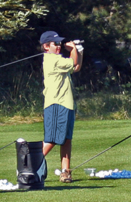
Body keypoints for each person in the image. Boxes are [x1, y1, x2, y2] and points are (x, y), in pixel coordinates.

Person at [39, 31, 83, 183]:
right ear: (46, 46)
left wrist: (79, 51)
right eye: (55, 44)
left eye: (59, 44)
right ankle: (30, 164)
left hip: (67, 103)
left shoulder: (59, 59)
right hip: (57, 103)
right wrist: (73, 50)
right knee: (52, 139)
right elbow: (72, 62)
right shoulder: (52, 60)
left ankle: (65, 172)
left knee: (66, 139)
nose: (58, 46)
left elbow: (76, 67)